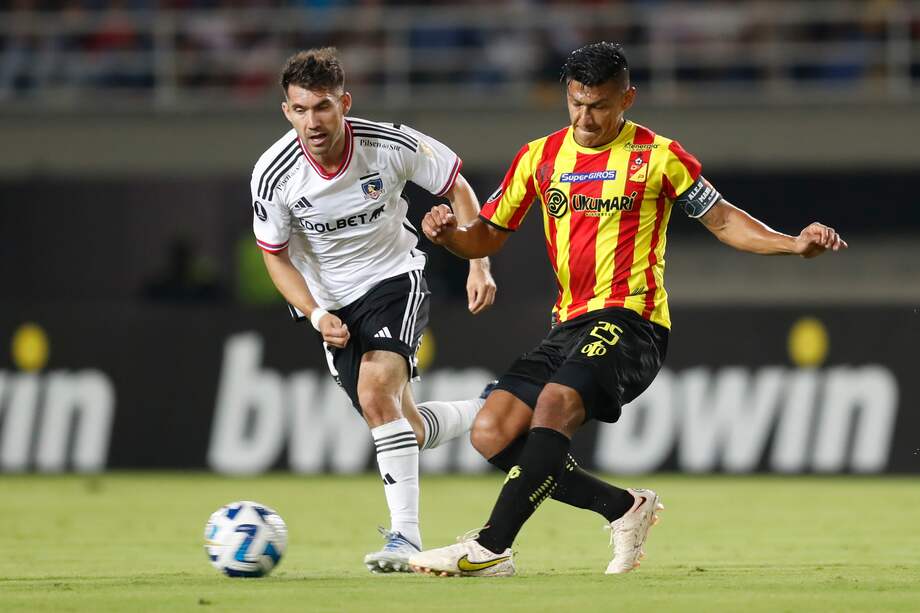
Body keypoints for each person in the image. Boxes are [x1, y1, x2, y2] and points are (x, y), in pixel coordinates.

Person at [408, 41, 847, 577]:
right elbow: (487, 239)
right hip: (568, 324)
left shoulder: (658, 156)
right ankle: (624, 508)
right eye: (576, 103)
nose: (586, 118)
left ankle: (490, 547)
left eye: (599, 105)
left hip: (632, 322)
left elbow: (723, 220)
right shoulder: (539, 157)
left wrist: (791, 244)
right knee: (492, 433)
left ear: (627, 99)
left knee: (555, 404)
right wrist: (451, 236)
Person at [250, 47, 497, 573]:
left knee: (374, 391)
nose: (312, 122)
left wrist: (479, 264)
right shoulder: (274, 175)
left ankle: (405, 539)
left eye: (322, 107)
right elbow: (275, 259)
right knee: (402, 421)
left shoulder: (391, 145)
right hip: (330, 304)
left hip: (393, 278)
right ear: (286, 111)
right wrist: (316, 314)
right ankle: (491, 409)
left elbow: (458, 185)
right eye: (300, 109)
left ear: (345, 103)